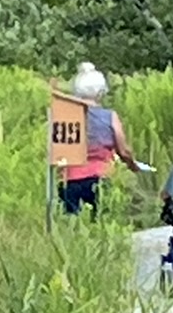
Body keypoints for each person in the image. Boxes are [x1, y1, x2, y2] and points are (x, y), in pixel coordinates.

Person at [58, 63, 140, 216]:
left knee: (72, 224)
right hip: (101, 177)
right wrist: (132, 165)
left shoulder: (66, 118)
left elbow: (57, 151)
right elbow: (123, 151)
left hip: (70, 179)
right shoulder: (109, 117)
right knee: (103, 218)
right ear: (101, 92)